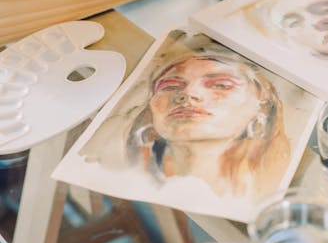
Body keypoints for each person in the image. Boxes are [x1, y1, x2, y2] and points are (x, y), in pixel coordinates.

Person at [81, 30, 290, 200]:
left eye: (221, 85)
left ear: (261, 110)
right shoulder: (119, 168)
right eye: (170, 86)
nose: (188, 94)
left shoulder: (263, 190)